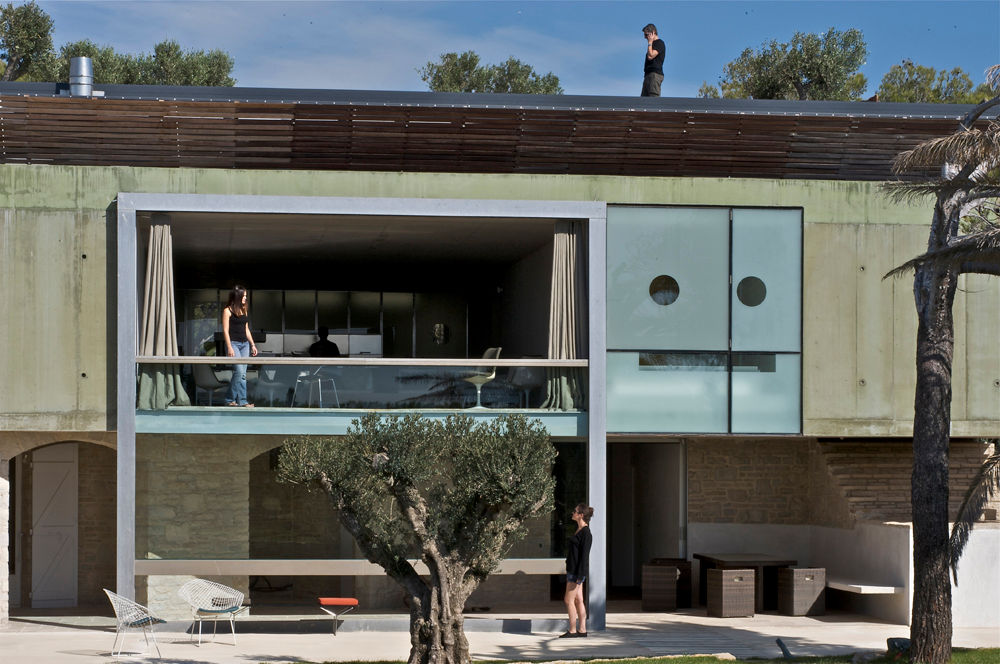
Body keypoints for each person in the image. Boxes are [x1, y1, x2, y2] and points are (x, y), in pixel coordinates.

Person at [561, 503, 594, 638]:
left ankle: (573, 630)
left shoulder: (586, 533)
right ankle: (582, 630)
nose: (572, 513)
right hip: (573, 570)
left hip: (576, 573)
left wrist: (580, 575)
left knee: (568, 600)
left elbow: (584, 556)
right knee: (578, 600)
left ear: (581, 515)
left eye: (575, 511)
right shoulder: (579, 530)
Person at [221, 285, 258, 407]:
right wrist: (229, 347)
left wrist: (252, 344)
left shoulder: (244, 309)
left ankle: (242, 401)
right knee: (238, 371)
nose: (245, 298)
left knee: (243, 374)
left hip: (244, 345)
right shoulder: (227, 311)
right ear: (237, 296)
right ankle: (229, 399)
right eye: (244, 296)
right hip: (233, 344)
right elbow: (225, 331)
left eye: (246, 296)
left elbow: (246, 329)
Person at [641, 23, 665, 97]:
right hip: (647, 75)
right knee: (643, 101)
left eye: (646, 35)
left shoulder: (660, 43)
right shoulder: (651, 45)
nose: (645, 37)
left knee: (653, 99)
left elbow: (651, 56)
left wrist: (650, 42)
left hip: (655, 75)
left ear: (653, 33)